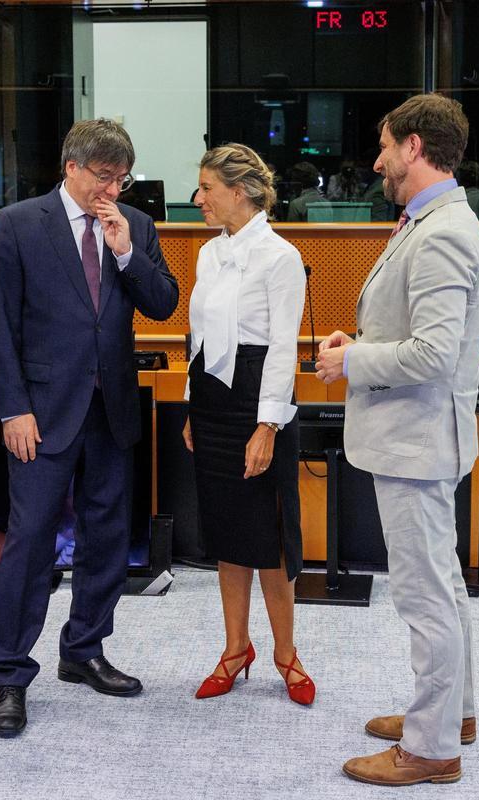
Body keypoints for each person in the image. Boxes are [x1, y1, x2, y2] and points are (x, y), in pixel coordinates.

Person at [0, 118, 179, 737]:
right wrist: (12, 408)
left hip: (112, 407)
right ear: (71, 167)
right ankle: (10, 673)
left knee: (107, 537)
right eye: (102, 176)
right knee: (31, 538)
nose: (111, 189)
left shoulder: (136, 227)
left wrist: (125, 252)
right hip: (40, 410)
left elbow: (164, 302)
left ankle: (84, 648)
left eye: (121, 179)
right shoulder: (18, 224)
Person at [315, 93, 479, 786]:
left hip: (418, 442)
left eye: (386, 145)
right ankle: (455, 714)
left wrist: (351, 361)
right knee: (443, 586)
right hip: (419, 436)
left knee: (423, 595)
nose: (378, 158)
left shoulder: (443, 229)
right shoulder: (432, 219)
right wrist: (358, 343)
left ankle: (431, 747)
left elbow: (435, 356)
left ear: (414, 147)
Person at [183, 144, 312, 705]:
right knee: (227, 532)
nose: (199, 198)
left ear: (240, 191)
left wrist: (267, 427)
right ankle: (236, 648)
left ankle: (287, 654)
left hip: (260, 400)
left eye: (207, 187)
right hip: (211, 400)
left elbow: (284, 349)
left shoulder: (281, 256)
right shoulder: (209, 254)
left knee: (270, 535)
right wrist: (192, 404)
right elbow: (198, 336)